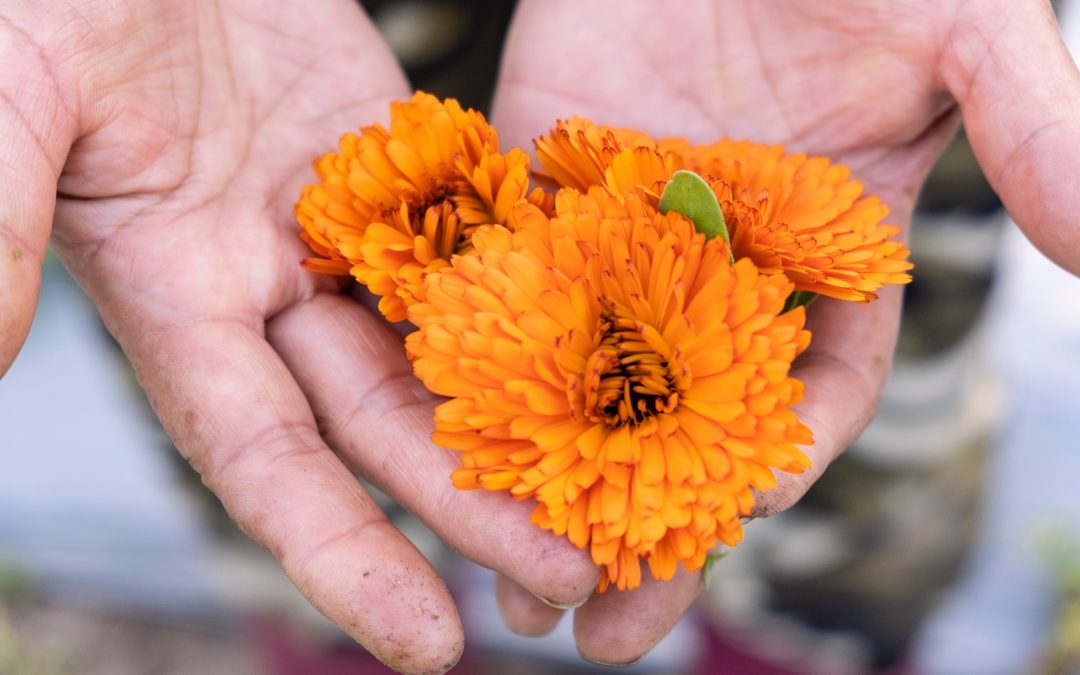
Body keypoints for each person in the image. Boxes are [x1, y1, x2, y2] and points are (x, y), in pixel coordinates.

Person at [1, 1, 1077, 672]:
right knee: (279, 400)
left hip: (801, 57)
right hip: (270, 40)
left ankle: (816, 643)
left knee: (859, 482)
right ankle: (345, 648)